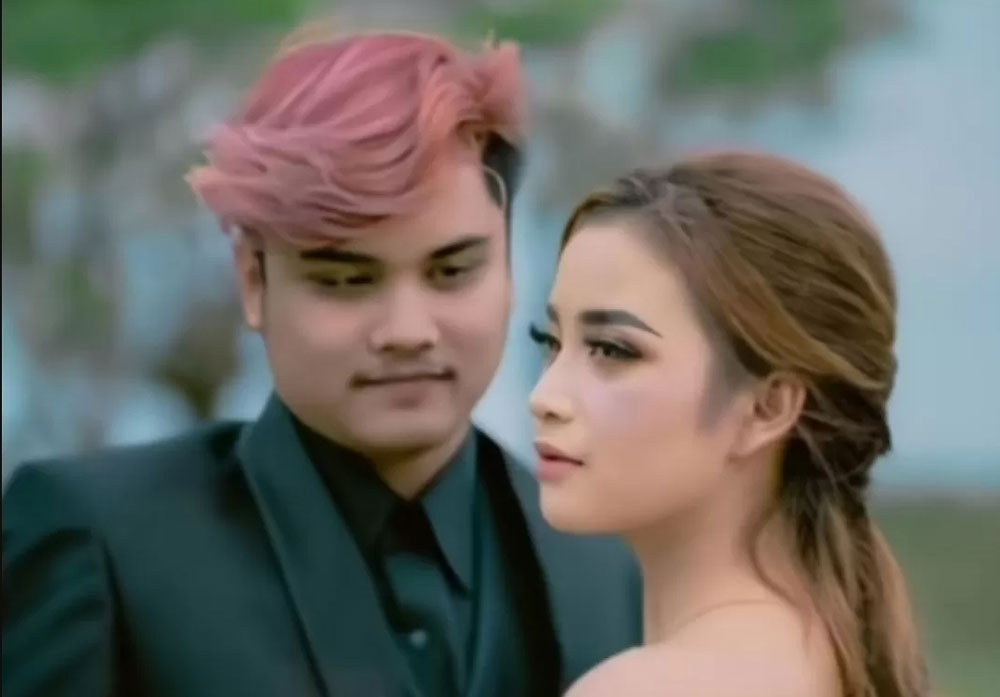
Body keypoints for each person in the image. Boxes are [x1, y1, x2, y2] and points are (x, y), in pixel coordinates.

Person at [2, 29, 641, 697]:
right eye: (346, 280)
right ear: (254, 280)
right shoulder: (100, 543)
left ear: (509, 267)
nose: (407, 331)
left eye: (452, 271)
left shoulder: (607, 566)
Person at [528, 150, 930, 697]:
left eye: (613, 350)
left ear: (767, 409)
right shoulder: (832, 657)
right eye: (551, 342)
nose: (544, 397)